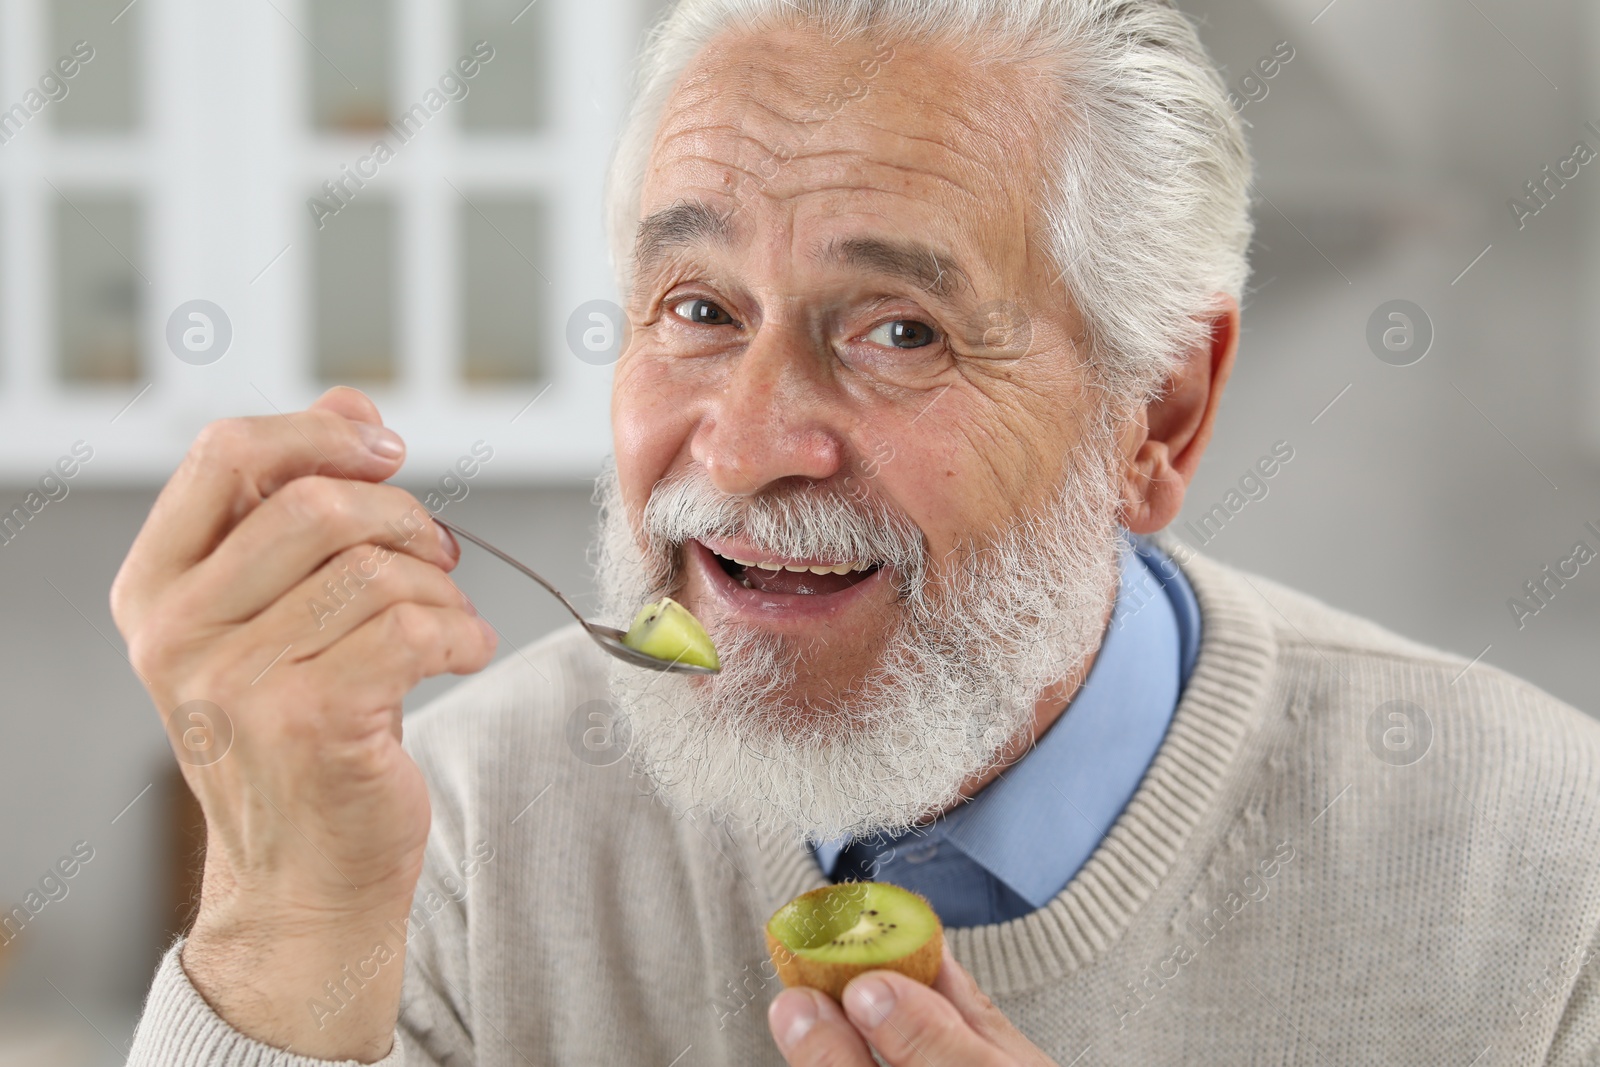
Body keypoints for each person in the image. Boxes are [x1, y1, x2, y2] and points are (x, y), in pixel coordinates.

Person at [119, 0, 1600, 1063]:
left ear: (1157, 420)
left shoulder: (1545, 863)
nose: (751, 446)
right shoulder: (461, 833)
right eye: (700, 311)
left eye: (900, 330)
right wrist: (282, 920)